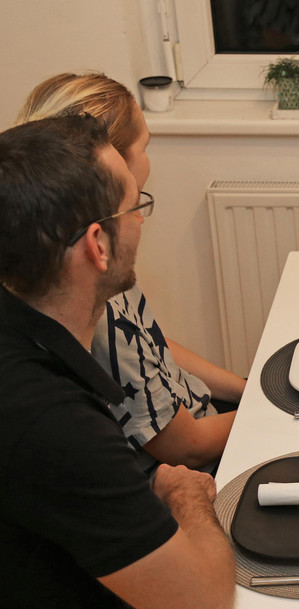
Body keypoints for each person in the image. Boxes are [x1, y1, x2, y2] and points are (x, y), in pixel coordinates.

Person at [0, 115, 235, 609]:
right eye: (135, 208)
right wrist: (185, 495)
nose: (142, 222)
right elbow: (204, 605)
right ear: (98, 245)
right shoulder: (55, 424)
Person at [17, 73, 245, 475]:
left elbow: (150, 343)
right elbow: (188, 448)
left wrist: (251, 391)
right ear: (113, 162)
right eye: (145, 147)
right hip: (186, 468)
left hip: (198, 412)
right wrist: (271, 412)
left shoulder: (101, 252)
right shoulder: (87, 294)